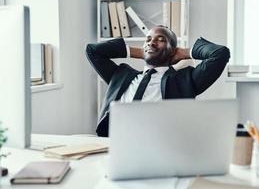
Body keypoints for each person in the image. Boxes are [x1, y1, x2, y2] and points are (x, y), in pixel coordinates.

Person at [86, 25, 230, 137]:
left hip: (159, 146)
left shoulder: (185, 80)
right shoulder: (121, 75)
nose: (152, 42)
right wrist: (140, 51)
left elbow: (220, 53)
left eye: (161, 40)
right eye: (148, 39)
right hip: (114, 143)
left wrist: (184, 53)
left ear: (173, 50)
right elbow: (92, 50)